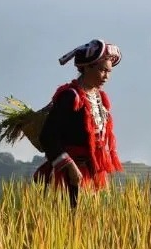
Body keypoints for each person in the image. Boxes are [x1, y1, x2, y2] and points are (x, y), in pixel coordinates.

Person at [32, 39, 124, 208]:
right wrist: (69, 167)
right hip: (69, 175)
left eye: (109, 72)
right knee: (67, 224)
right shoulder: (70, 97)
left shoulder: (99, 97)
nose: (106, 76)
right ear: (87, 67)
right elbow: (48, 136)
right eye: (102, 70)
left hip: (89, 173)